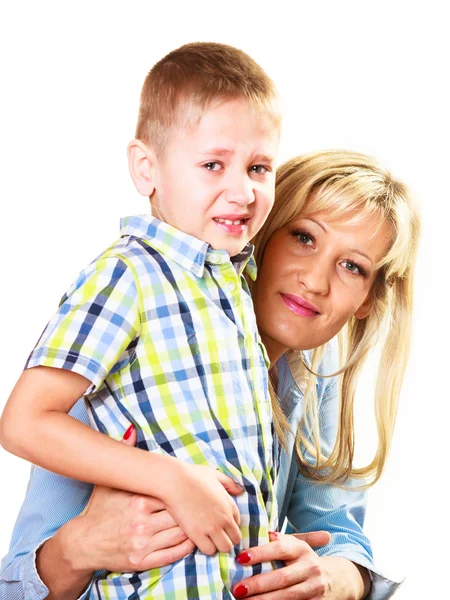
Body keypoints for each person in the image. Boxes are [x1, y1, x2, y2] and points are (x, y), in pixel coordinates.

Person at [0, 150, 420, 600]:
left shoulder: (314, 378)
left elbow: (336, 529)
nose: (316, 281)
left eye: (352, 266)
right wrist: (79, 548)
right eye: (303, 237)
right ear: (256, 230)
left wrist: (336, 579)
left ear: (367, 301)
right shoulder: (128, 359)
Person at [0, 42, 282, 600]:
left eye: (258, 167)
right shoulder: (127, 275)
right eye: (212, 165)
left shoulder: (230, 286)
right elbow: (25, 421)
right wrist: (168, 477)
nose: (243, 191)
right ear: (146, 169)